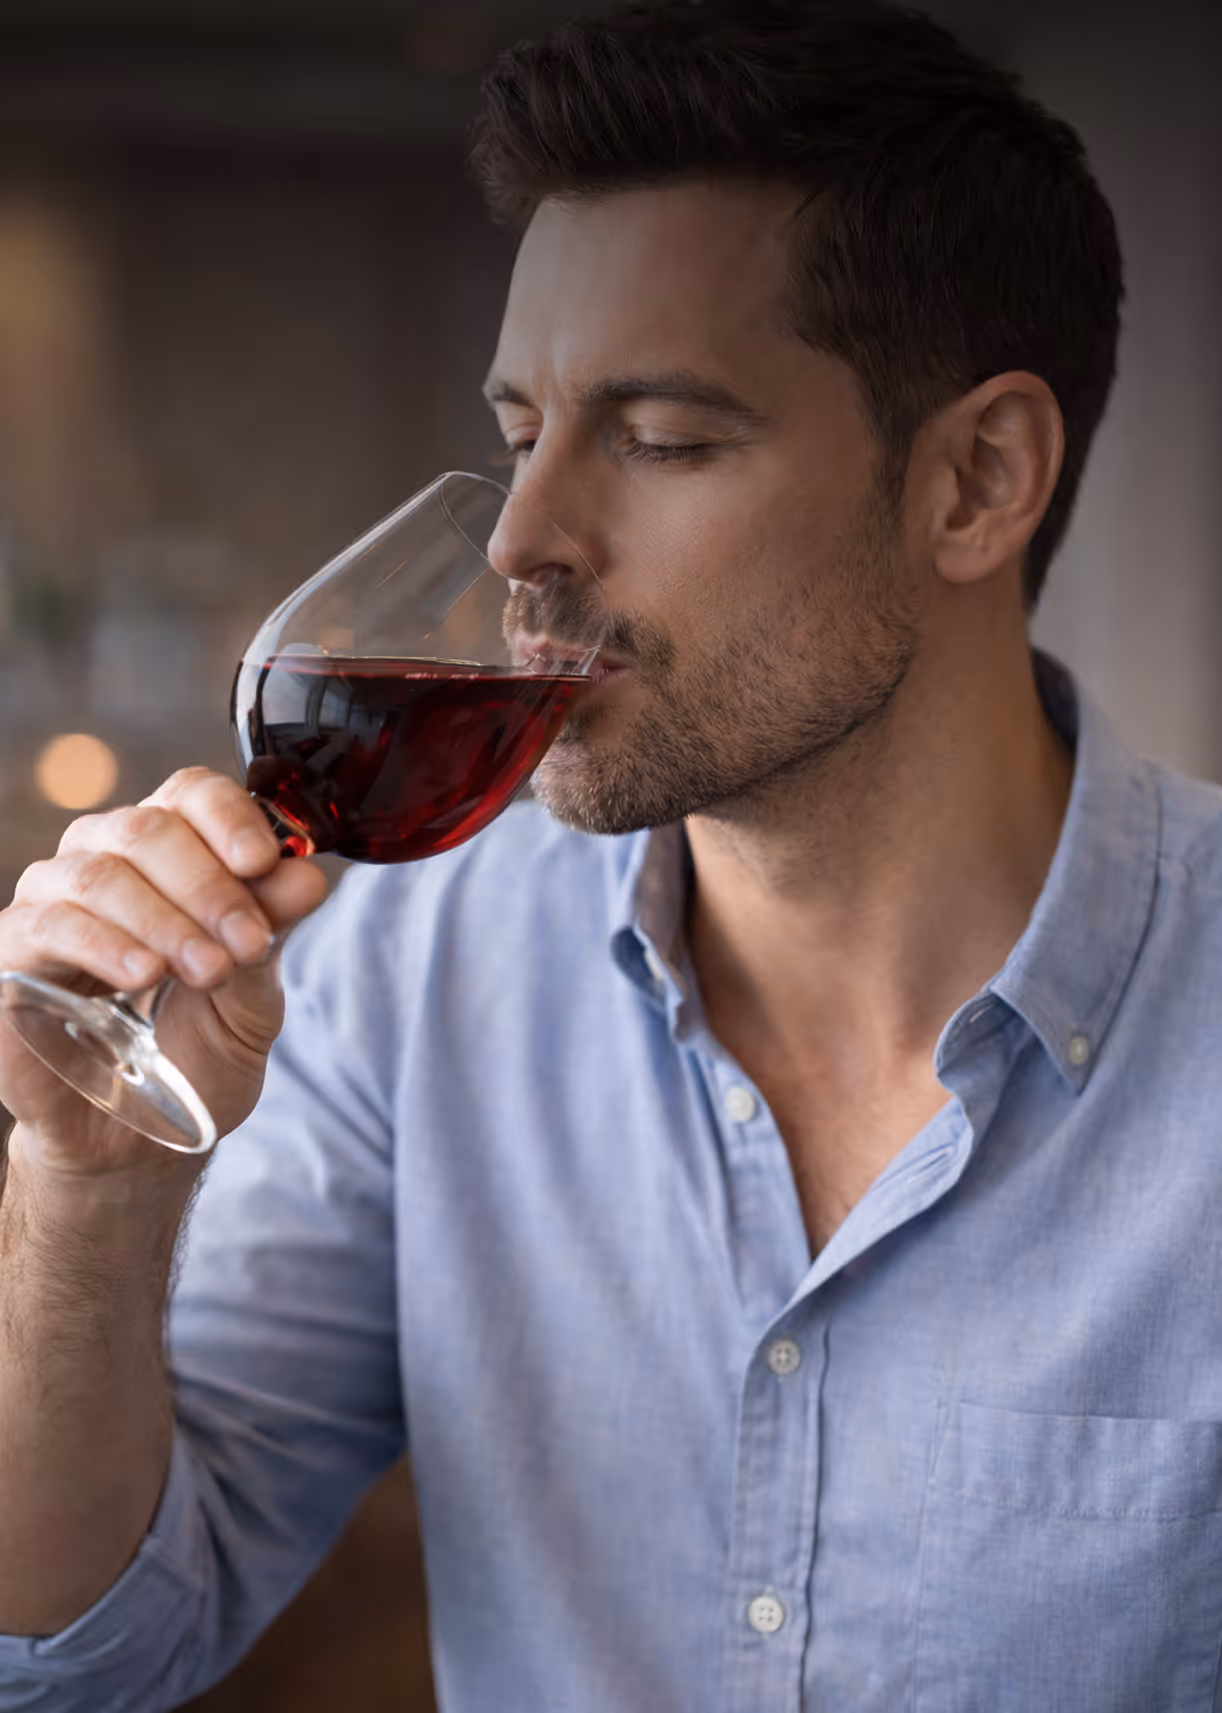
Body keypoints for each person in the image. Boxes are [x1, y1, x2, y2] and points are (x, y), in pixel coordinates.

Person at [0, 1, 1216, 1708]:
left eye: (658, 440)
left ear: (976, 481)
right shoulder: (416, 966)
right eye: (521, 432)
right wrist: (92, 1194)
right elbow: (74, 1658)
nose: (520, 538)